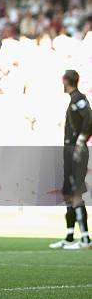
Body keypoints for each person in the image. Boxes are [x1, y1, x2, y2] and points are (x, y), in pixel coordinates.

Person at [49, 70, 91, 250]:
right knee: (68, 192)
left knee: (75, 193)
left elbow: (90, 117)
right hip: (69, 150)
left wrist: (81, 140)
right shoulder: (73, 99)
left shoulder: (78, 98)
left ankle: (85, 239)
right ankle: (69, 236)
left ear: (66, 80)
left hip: (75, 151)